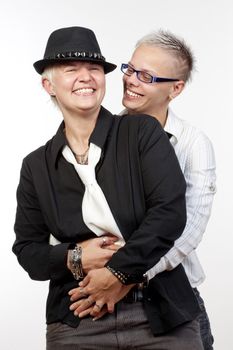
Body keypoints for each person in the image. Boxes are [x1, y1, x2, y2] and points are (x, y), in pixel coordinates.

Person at [12, 26, 203, 350]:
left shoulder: (141, 132)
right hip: (77, 315)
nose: (85, 77)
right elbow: (28, 253)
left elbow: (169, 213)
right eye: (71, 70)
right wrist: (75, 257)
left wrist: (118, 273)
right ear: (49, 85)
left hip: (160, 310)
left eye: (94, 69)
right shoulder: (36, 166)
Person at [119, 30, 216, 349]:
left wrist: (127, 274)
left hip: (174, 298)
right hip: (109, 306)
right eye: (130, 69)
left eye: (146, 75)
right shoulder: (103, 134)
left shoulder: (192, 144)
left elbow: (189, 230)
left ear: (175, 88)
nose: (131, 80)